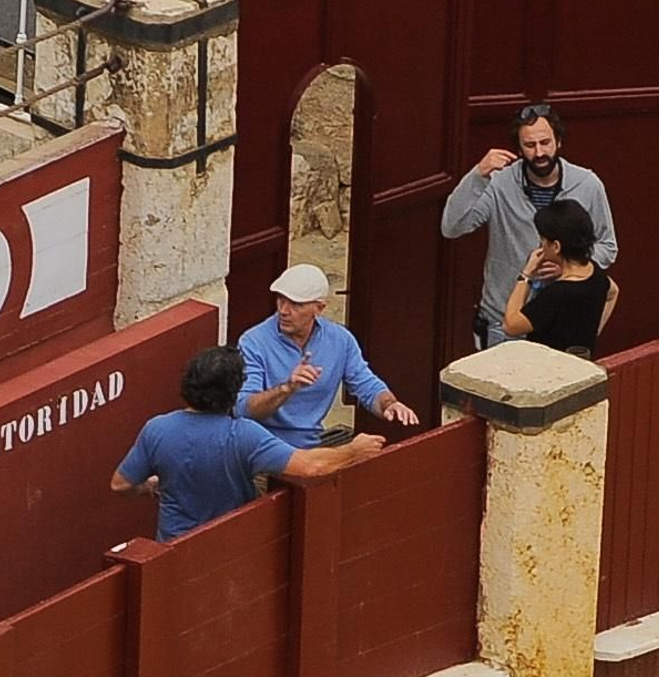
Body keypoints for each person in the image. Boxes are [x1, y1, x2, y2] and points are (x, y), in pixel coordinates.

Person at [113, 345, 385, 542]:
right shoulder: (243, 435)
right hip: (231, 544)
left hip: (173, 545)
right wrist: (354, 450)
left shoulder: (158, 429)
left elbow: (121, 484)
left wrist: (147, 487)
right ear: (233, 393)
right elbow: (310, 466)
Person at [440, 103, 618, 348]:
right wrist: (478, 175)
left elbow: (608, 247)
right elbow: (451, 227)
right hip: (503, 322)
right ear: (519, 149)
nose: (539, 152)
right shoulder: (499, 183)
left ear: (559, 141)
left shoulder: (588, 184)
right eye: (530, 145)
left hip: (561, 324)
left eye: (545, 142)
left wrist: (568, 265)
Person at [235, 263, 419, 448]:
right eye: (281, 300)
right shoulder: (253, 341)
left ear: (319, 308)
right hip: (261, 445)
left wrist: (390, 404)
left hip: (310, 444)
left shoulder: (340, 339)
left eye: (295, 304)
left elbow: (366, 384)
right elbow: (244, 408)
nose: (283, 310)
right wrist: (288, 388)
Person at [502, 199, 619, 357]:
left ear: (556, 246)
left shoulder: (558, 293)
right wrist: (593, 334)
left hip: (549, 371)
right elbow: (613, 292)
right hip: (581, 364)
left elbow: (511, 324)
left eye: (543, 241)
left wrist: (525, 276)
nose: (541, 246)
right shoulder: (595, 273)